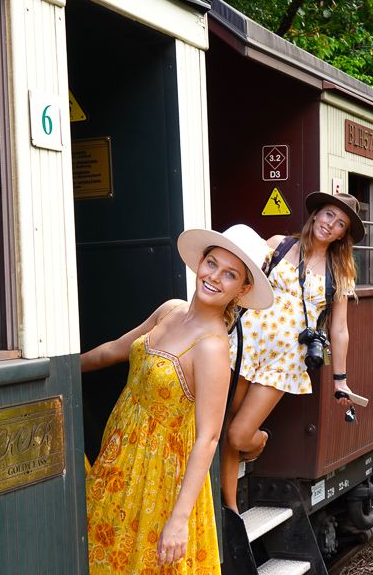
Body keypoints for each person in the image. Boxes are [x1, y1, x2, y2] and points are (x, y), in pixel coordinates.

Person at [82, 224, 274, 574]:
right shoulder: (169, 310)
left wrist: (179, 520)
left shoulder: (213, 347)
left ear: (242, 289)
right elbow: (113, 351)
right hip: (119, 457)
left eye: (229, 274)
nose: (214, 277)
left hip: (158, 478)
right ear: (200, 261)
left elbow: (209, 438)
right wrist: (61, 372)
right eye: (212, 263)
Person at [221, 192, 366, 512]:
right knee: (225, 424)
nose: (331, 225)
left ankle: (258, 443)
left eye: (340, 223)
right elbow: (238, 279)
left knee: (238, 435)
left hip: (283, 361)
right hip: (245, 346)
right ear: (316, 215)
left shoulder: (338, 273)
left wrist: (340, 379)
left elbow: (338, 329)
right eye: (329, 215)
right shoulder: (277, 245)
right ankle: (230, 511)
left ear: (343, 234)